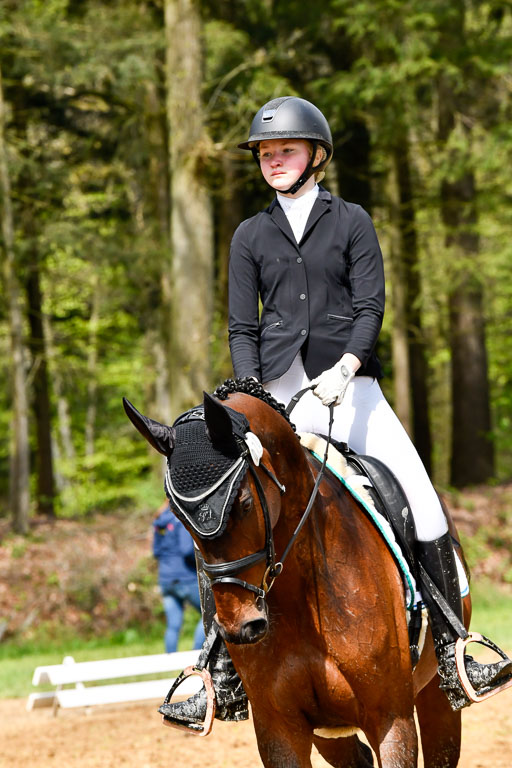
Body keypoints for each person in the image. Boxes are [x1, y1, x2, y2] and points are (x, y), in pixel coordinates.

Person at [161, 96, 512, 728]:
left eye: (284, 151)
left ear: (316, 156)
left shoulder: (351, 221)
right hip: (274, 398)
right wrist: (249, 397)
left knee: (421, 500)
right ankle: (213, 669)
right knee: (233, 511)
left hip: (351, 389)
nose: (272, 161)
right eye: (265, 154)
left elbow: (371, 307)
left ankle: (456, 645)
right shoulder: (249, 235)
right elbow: (243, 323)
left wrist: (346, 369)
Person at [153, 502, 204, 654]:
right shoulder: (180, 519)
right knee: (211, 615)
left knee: (173, 625)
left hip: (165, 580)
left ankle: (170, 663)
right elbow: (186, 550)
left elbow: (156, 552)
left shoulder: (159, 522)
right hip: (185, 578)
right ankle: (195, 655)